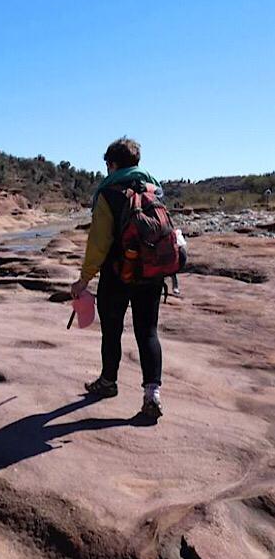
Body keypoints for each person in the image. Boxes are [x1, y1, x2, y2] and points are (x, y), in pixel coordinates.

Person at [71, 137, 165, 419]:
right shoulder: (154, 189)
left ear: (112, 164)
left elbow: (99, 242)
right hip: (151, 274)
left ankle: (108, 382)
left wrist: (84, 279)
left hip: (118, 274)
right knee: (147, 332)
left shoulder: (108, 193)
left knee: (112, 330)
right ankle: (152, 395)